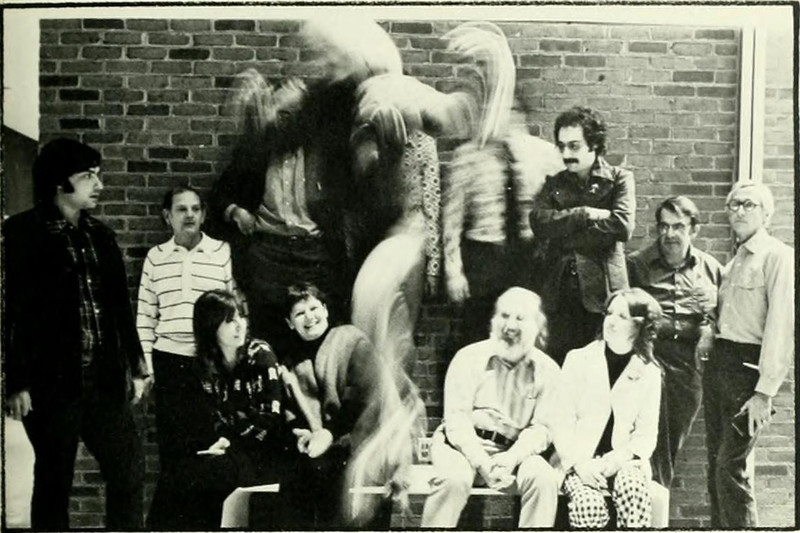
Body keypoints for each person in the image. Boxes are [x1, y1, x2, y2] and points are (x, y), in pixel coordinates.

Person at [3, 138, 147, 529]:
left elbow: (120, 309)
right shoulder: (21, 234)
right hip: (51, 384)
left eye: (98, 175)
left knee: (129, 470)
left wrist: (136, 364)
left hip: (103, 379)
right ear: (58, 183)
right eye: (87, 177)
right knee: (54, 482)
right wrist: (16, 382)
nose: (99, 185)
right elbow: (11, 313)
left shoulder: (101, 236)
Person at [442, 23, 564, 347]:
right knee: (479, 337)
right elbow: (452, 220)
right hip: (483, 256)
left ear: (521, 112)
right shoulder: (469, 156)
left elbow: (562, 202)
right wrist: (454, 271)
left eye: (511, 110)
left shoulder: (543, 154)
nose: (503, 117)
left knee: (527, 334)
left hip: (527, 257)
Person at [136, 186, 243, 519]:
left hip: (209, 362)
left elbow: (234, 308)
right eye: (181, 209)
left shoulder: (221, 251)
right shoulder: (156, 257)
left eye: (196, 209)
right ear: (167, 216)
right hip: (168, 362)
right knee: (176, 452)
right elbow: (145, 316)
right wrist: (148, 368)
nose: (190, 215)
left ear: (204, 214)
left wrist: (229, 360)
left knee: (212, 448)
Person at [420, 287, 561, 528]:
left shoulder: (548, 370)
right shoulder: (467, 358)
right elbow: (457, 422)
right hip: (460, 448)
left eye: (520, 318)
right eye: (504, 316)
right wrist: (483, 463)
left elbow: (542, 429)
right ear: (493, 321)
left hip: (513, 452)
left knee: (543, 479)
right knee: (454, 480)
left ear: (537, 326)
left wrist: (512, 458)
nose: (510, 327)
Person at [147, 289, 284, 529]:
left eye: (241, 317)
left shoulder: (259, 355)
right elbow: (216, 417)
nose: (240, 326)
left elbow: (269, 419)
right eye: (230, 321)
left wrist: (231, 444)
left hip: (265, 452)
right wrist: (221, 441)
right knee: (174, 476)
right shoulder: (207, 364)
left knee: (208, 477)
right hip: (233, 451)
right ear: (211, 326)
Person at [704, 181, 794, 527]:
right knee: (716, 465)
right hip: (720, 367)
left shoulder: (777, 256)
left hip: (748, 372)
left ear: (766, 214)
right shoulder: (733, 263)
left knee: (730, 466)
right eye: (734, 205)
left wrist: (764, 393)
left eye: (749, 205)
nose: (740, 211)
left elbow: (781, 326)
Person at [277, 282, 390, 529]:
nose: (309, 317)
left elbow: (363, 397)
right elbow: (290, 409)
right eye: (299, 313)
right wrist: (301, 433)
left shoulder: (351, 339)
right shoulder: (290, 361)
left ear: (326, 310)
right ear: (290, 323)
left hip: (357, 441)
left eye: (314, 308)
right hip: (316, 450)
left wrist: (330, 434)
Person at [627, 196, 722, 488]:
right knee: (648, 438)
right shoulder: (637, 264)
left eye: (678, 226)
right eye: (664, 226)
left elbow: (730, 316)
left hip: (689, 363)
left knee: (672, 439)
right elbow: (623, 311)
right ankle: (652, 497)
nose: (669, 234)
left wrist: (710, 325)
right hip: (651, 357)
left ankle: (653, 496)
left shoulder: (711, 268)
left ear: (694, 229)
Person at [531, 106, 635, 365]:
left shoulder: (619, 180)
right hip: (559, 296)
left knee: (603, 367)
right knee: (559, 367)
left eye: (574, 146)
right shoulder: (554, 184)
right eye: (562, 146)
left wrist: (563, 236)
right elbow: (539, 222)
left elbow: (621, 226)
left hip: (603, 294)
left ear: (595, 144)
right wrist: (584, 214)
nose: (566, 154)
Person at [553, 288, 663, 529]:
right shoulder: (578, 359)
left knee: (634, 491)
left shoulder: (649, 372)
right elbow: (561, 423)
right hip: (579, 460)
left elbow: (646, 436)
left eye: (622, 317)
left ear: (640, 326)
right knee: (588, 505)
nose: (611, 321)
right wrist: (580, 464)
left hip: (622, 460)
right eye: (609, 313)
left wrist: (616, 460)